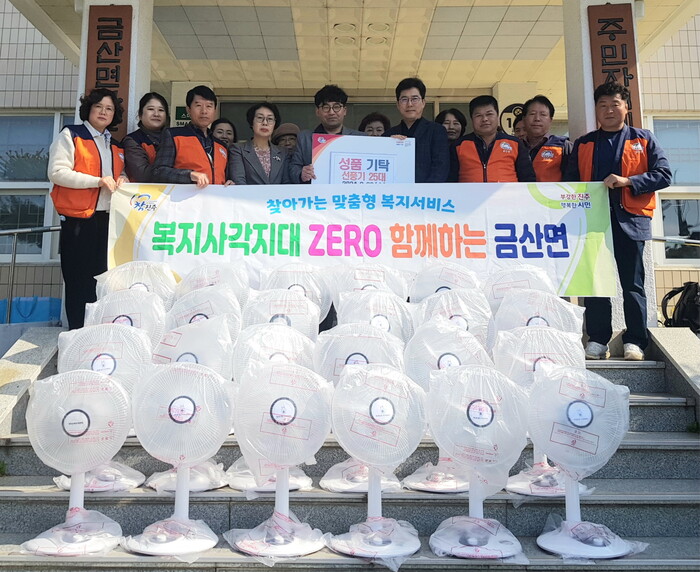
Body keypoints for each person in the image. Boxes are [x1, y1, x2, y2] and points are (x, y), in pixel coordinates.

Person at [565, 82, 671, 361]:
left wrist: (628, 181)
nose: (609, 110)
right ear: (596, 110)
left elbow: (664, 174)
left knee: (632, 285)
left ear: (626, 107)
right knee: (596, 283)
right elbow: (570, 183)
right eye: (602, 105)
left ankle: (635, 341)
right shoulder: (584, 143)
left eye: (614, 104)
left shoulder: (643, 139)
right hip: (593, 223)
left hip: (631, 221)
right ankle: (597, 340)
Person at [47, 87, 127, 329]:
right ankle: (77, 334)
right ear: (88, 109)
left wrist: (123, 177)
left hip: (107, 221)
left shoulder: (115, 145)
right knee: (78, 281)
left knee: (102, 280)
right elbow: (57, 172)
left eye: (109, 108)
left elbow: (119, 173)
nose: (104, 112)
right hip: (78, 220)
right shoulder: (71, 135)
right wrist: (97, 181)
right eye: (98, 106)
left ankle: (96, 334)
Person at [152, 85, 232, 188]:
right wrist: (189, 175)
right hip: (184, 197)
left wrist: (230, 183)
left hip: (216, 197)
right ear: (188, 109)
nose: (204, 111)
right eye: (198, 105)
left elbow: (226, 177)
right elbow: (158, 172)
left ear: (215, 111)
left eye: (209, 106)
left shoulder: (221, 146)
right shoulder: (173, 135)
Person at [449, 95, 535, 183]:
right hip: (468, 192)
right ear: (472, 119)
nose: (484, 119)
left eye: (489, 114)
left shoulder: (515, 144)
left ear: (497, 116)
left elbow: (528, 178)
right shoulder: (459, 145)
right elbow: (450, 180)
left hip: (507, 192)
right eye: (478, 115)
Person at [289, 84, 365, 184]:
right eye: (326, 107)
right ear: (317, 111)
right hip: (315, 192)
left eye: (336, 107)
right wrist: (301, 174)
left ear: (345, 111)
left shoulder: (360, 138)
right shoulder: (305, 138)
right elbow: (293, 167)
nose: (331, 112)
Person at [385, 77, 449, 183]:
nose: (409, 104)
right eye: (404, 99)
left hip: (428, 191)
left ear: (423, 102)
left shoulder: (436, 131)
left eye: (414, 99)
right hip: (396, 191)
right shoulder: (388, 135)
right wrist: (388, 145)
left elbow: (440, 168)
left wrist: (424, 191)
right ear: (398, 104)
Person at [230, 102, 290, 185]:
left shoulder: (283, 153)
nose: (265, 123)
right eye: (260, 118)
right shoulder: (238, 149)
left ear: (275, 124)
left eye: (270, 119)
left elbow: (287, 184)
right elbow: (239, 181)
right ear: (252, 122)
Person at [522, 95, 572, 182]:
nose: (537, 119)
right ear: (524, 119)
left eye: (543, 114)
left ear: (550, 120)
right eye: (532, 114)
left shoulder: (564, 146)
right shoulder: (515, 147)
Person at [122, 92, 170, 183]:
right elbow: (143, 175)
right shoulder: (133, 140)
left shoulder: (174, 139)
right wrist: (176, 173)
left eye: (161, 110)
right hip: (143, 191)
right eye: (151, 109)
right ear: (140, 114)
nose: (156, 114)